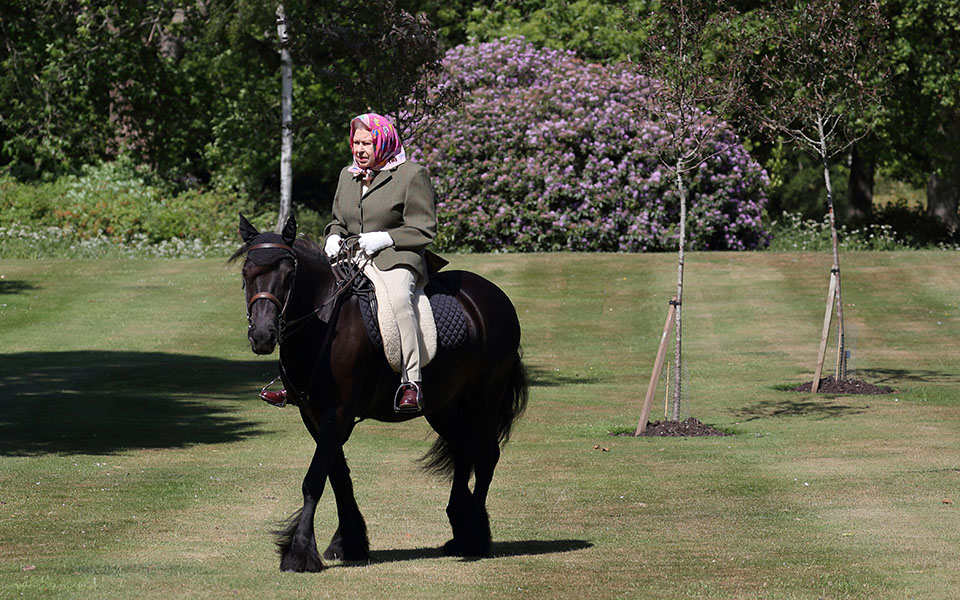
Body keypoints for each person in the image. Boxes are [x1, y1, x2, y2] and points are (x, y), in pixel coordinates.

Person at [260, 113, 437, 412]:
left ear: (383, 141)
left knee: (398, 301)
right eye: (356, 142)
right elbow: (338, 221)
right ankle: (292, 382)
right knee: (311, 300)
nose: (359, 149)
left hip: (396, 257)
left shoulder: (412, 175)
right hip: (352, 257)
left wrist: (386, 238)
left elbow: (424, 229)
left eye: (367, 142)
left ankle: (412, 382)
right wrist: (333, 236)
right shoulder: (348, 174)